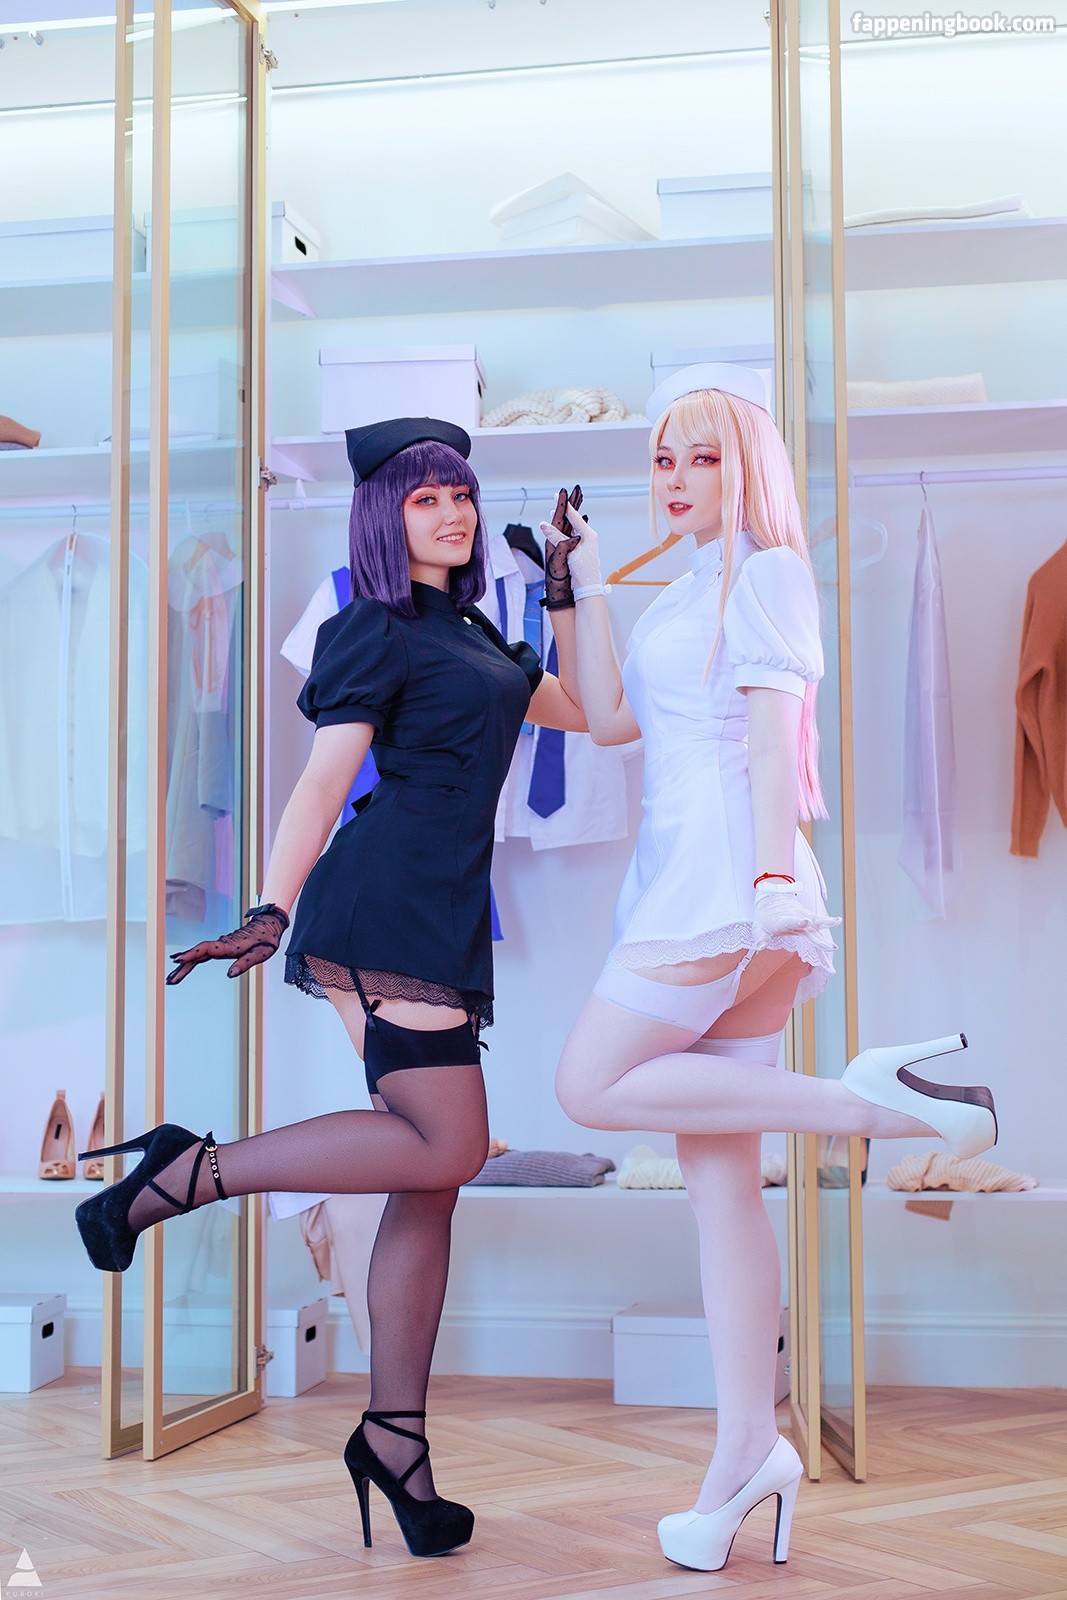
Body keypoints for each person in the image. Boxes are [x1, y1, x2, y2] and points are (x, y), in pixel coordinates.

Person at [74, 417, 588, 1560]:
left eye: (460, 495)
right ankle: (185, 1173)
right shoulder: (370, 628)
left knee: (429, 1178)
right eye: (424, 499)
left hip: (442, 913)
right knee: (451, 1145)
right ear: (380, 518)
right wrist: (269, 906)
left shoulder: (475, 631)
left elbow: (600, 715)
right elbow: (319, 785)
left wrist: (564, 589)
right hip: (384, 901)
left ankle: (395, 1441)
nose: (452, 514)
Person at [545, 364, 998, 1574]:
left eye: (701, 455)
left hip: (723, 885)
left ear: (746, 466)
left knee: (586, 1085)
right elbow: (605, 717)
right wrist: (576, 584)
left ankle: (873, 1105)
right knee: (719, 1188)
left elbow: (767, 739)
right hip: (702, 882)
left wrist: (761, 886)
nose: (675, 478)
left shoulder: (768, 573)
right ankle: (747, 1450)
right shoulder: (688, 586)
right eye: (661, 457)